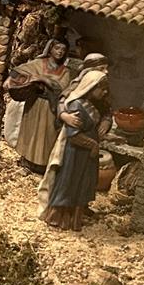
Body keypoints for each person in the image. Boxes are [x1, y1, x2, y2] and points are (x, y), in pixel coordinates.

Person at [38, 70, 109, 231]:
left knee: (83, 184)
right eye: (101, 89)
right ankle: (60, 217)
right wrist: (92, 144)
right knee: (70, 183)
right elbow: (73, 135)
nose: (104, 92)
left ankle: (76, 218)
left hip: (85, 155)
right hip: (75, 154)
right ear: (91, 87)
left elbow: (107, 114)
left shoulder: (93, 104)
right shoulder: (77, 106)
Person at [6, 40, 72, 174]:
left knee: (47, 135)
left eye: (63, 49)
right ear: (50, 49)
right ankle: (27, 161)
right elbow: (16, 71)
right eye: (57, 48)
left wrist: (43, 79)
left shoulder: (65, 71)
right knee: (30, 132)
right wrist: (14, 80)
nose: (60, 51)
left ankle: (43, 165)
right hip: (34, 103)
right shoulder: (38, 63)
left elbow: (62, 88)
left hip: (50, 106)